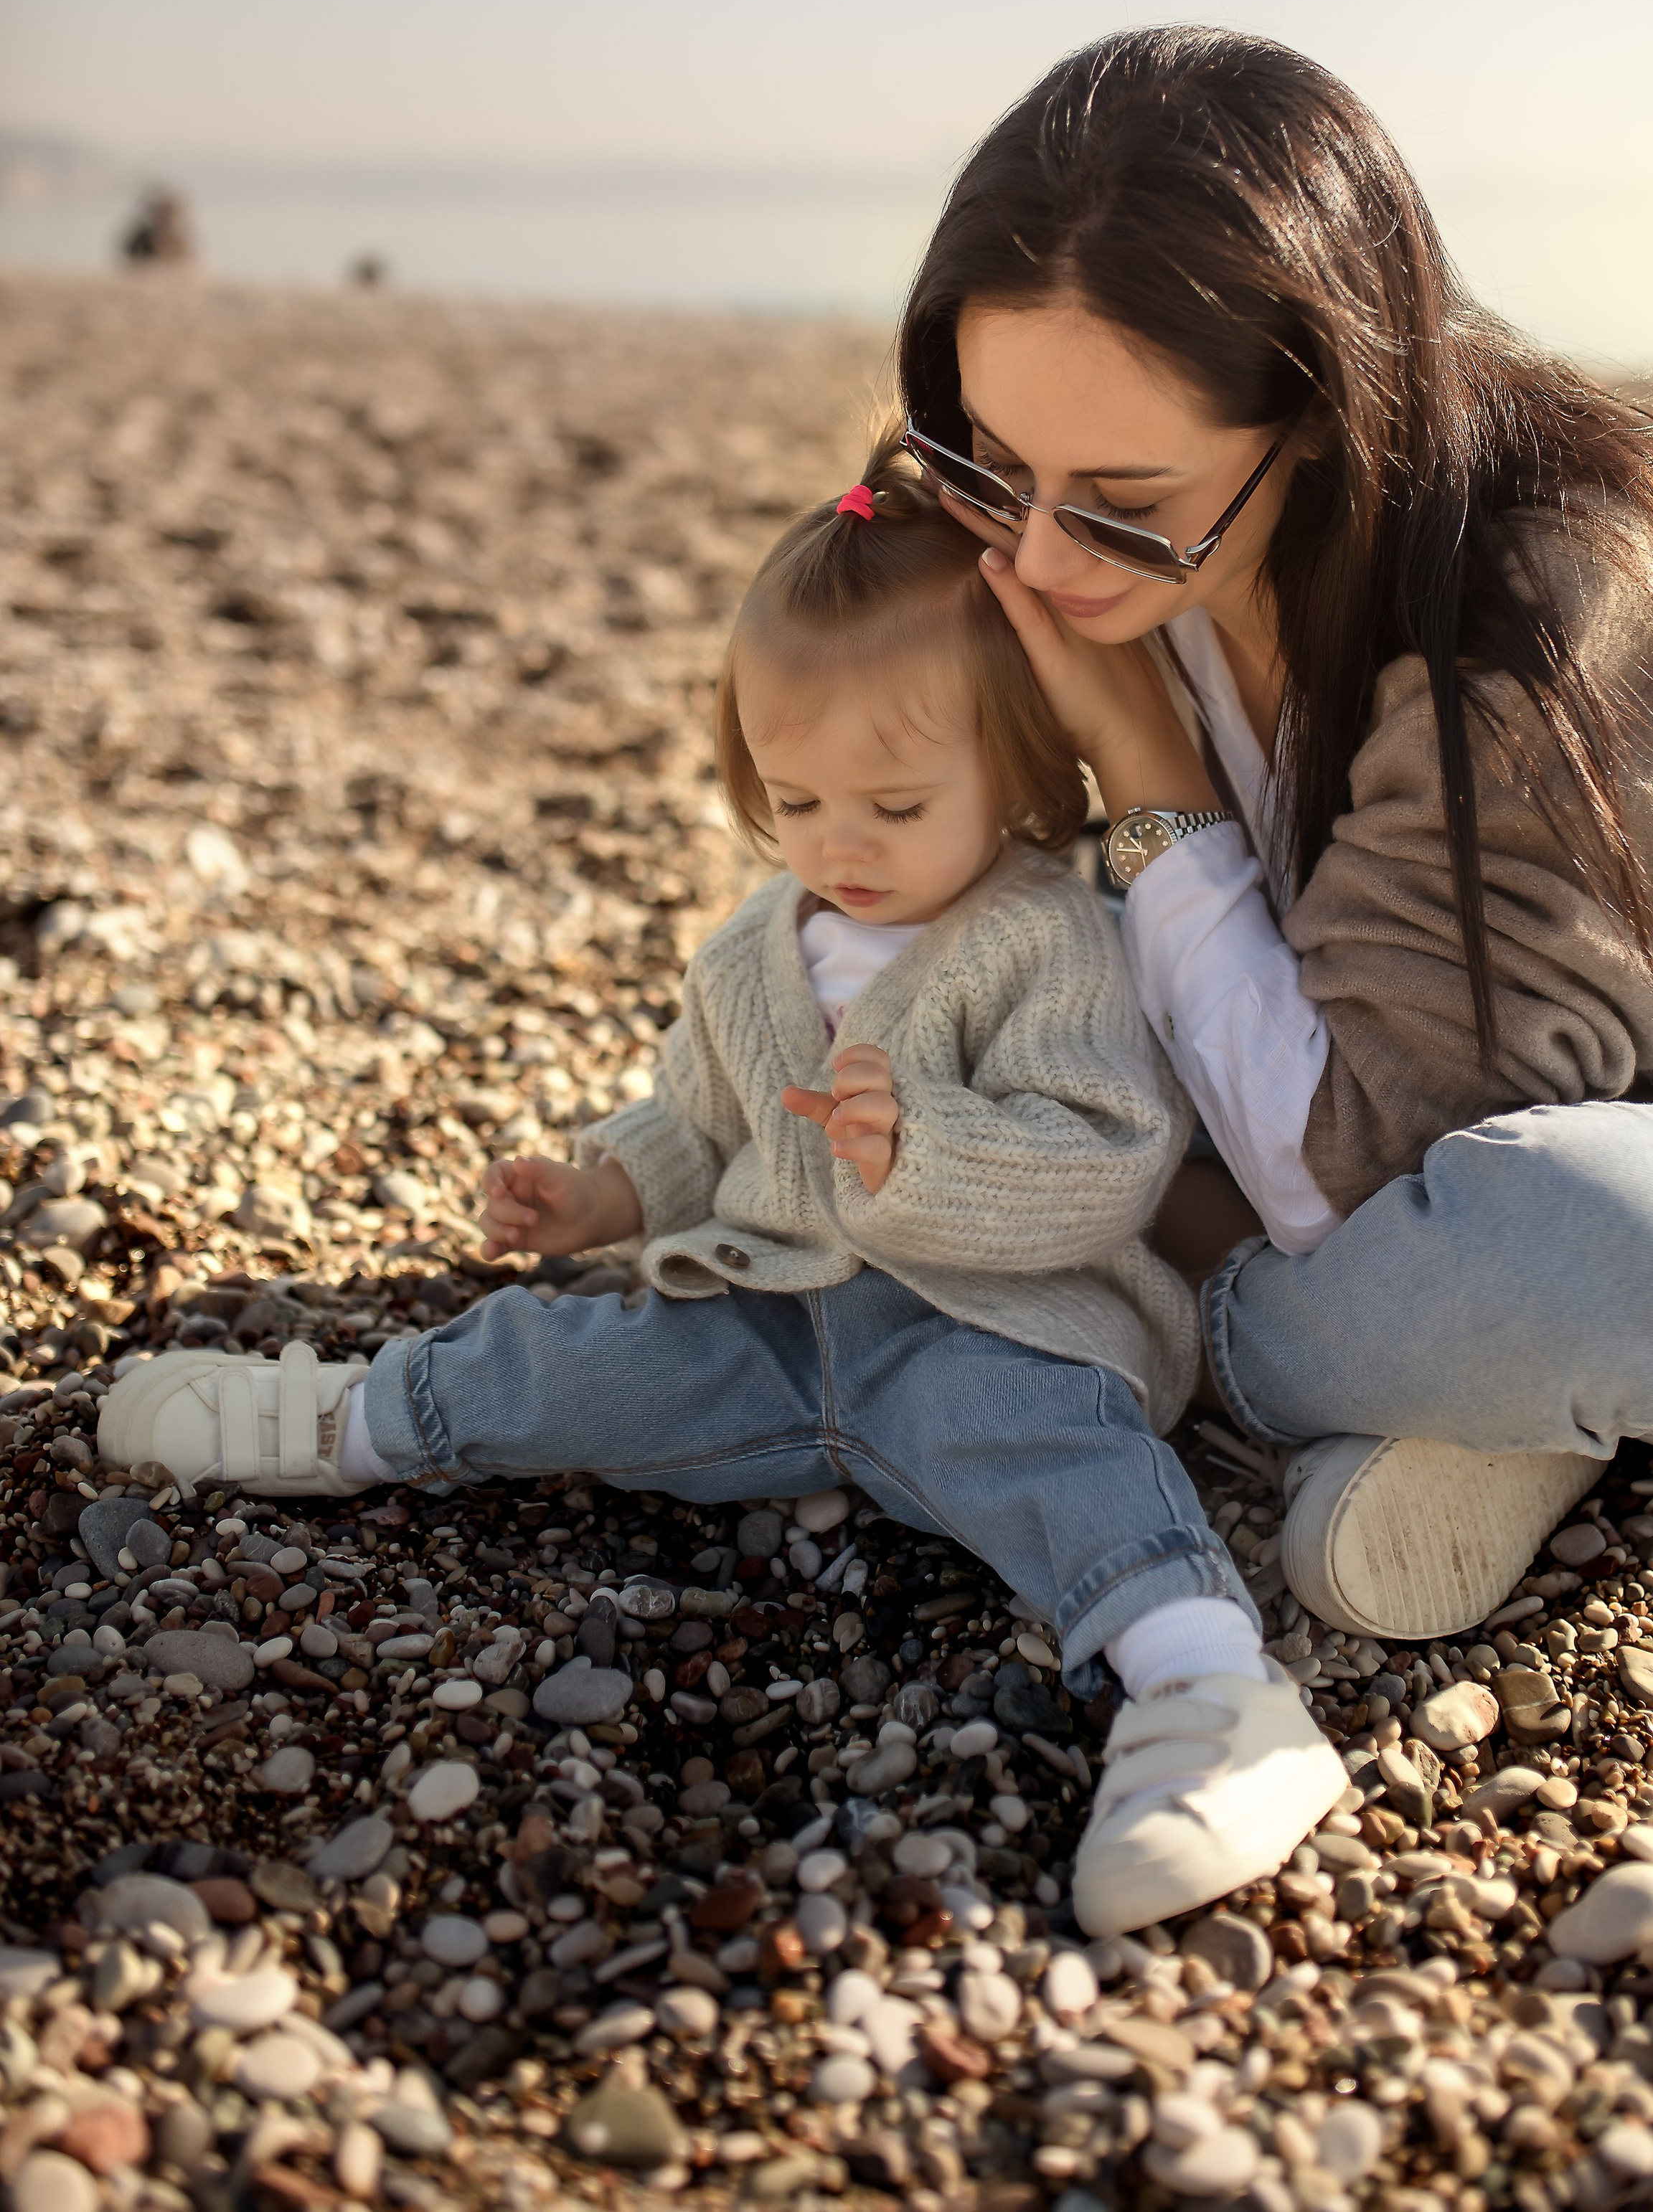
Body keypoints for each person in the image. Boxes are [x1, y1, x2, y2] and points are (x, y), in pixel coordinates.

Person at [100, 440, 1350, 1937]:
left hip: (990, 1328)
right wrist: (607, 1195)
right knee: (576, 1363)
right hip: (767, 1311)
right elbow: (701, 1120)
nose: (839, 844)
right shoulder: (762, 947)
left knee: (1065, 1465)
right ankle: (349, 1417)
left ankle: (1210, 1694)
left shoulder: (1048, 940)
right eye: (795, 797)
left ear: (1021, 775)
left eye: (896, 806)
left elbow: (1108, 1157)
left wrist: (926, 1152)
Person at [898, 25, 1653, 1656]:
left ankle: (1209, 1331)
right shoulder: (1087, 536)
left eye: (1123, 500)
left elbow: (1347, 1170)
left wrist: (1143, 763)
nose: (1040, 559)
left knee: (1597, 1255)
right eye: (992, 461)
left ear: (1326, 412)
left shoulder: (1562, 623)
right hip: (1367, 1142)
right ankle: (1482, 1410)